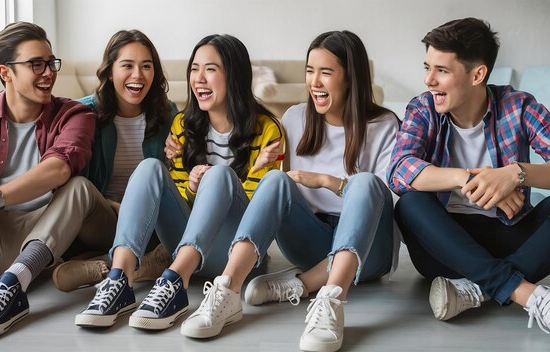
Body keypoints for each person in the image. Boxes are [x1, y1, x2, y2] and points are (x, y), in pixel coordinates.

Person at [175, 30, 399, 351]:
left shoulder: (385, 124)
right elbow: (267, 194)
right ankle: (227, 291)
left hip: (368, 252)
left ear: (351, 77)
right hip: (310, 241)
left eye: (326, 72)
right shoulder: (295, 119)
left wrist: (325, 181)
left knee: (364, 182)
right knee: (275, 180)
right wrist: (258, 168)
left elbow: (381, 199)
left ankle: (326, 297)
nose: (315, 82)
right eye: (310, 71)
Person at [74, 34, 283, 330]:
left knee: (220, 175)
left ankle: (174, 283)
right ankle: (120, 279)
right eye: (194, 69)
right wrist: (193, 188)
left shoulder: (267, 130)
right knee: (150, 167)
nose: (199, 78)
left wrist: (227, 179)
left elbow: (262, 211)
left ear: (234, 75)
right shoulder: (183, 126)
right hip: (187, 249)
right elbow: (179, 200)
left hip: (235, 257)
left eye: (210, 69)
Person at [0, 22, 115, 337]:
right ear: (6, 72)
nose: (48, 72)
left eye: (51, 62)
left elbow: (59, 169)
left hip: (49, 234)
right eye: (35, 64)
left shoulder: (75, 114)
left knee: (78, 187)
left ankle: (14, 287)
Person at [388, 17, 550, 334]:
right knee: (409, 204)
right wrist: (468, 178)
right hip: (444, 245)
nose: (429, 80)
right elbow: (399, 169)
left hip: (509, 234)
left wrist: (515, 174)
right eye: (427, 68)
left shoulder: (519, 106)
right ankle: (524, 293)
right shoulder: (422, 109)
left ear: (477, 74)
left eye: (442, 71)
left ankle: (475, 290)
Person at [50, 29, 177, 293]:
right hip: (102, 218)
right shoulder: (83, 113)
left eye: (146, 66)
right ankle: (147, 264)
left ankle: (103, 266)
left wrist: (177, 159)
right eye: (127, 66)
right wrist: (115, 206)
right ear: (110, 72)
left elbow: (172, 182)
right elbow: (75, 186)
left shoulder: (168, 113)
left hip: (150, 221)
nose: (138, 75)